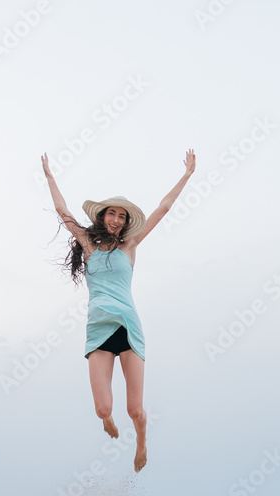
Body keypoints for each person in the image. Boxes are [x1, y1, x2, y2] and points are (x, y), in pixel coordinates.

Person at [41, 149, 196, 472]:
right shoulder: (88, 245)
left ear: (126, 223)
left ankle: (141, 442)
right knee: (102, 409)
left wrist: (186, 176)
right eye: (111, 213)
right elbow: (61, 209)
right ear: (102, 217)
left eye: (121, 216)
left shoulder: (130, 246)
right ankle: (107, 421)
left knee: (135, 410)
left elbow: (162, 209)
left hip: (128, 327)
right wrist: (51, 177)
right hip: (99, 329)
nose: (116, 219)